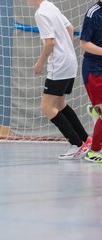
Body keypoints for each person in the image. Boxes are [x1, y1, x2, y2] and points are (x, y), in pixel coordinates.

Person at [27, 0, 91, 160]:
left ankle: (76, 145)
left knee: (47, 107)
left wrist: (39, 63)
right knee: (60, 104)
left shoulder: (41, 13)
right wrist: (65, 47)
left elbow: (49, 43)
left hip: (59, 64)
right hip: (70, 61)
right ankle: (85, 139)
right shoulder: (50, 5)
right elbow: (70, 28)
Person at [80, 1, 102, 162]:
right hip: (95, 70)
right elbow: (84, 44)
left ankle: (96, 112)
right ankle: (94, 152)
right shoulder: (93, 13)